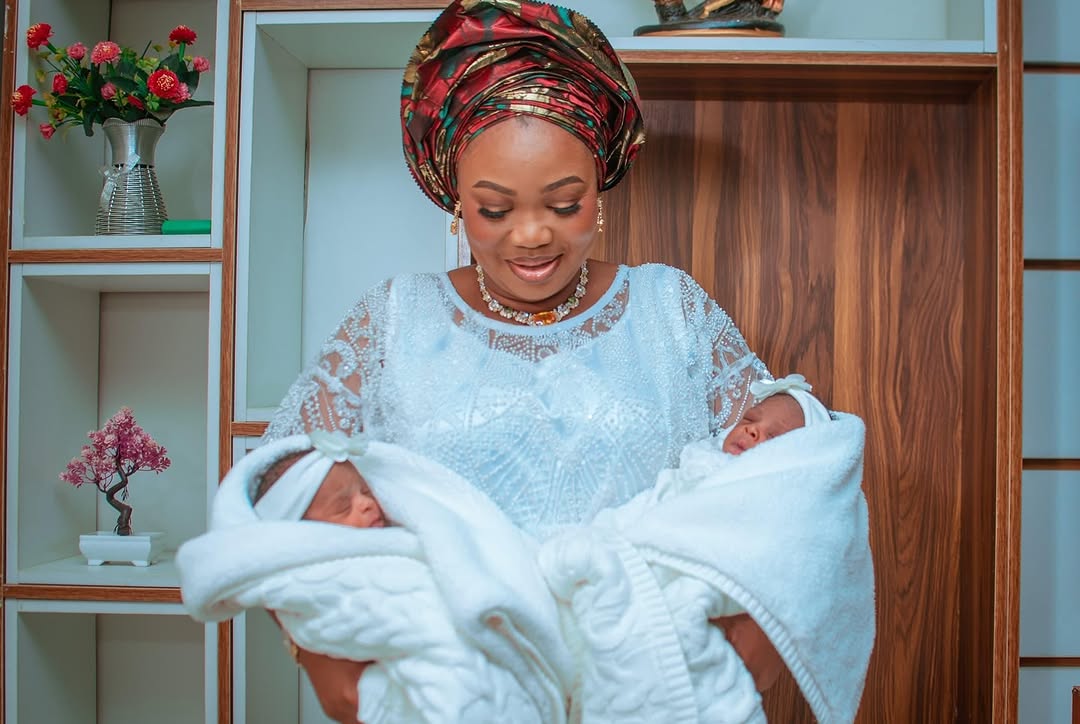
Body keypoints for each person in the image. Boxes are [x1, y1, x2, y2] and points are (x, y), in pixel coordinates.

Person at [251, 0, 849, 720]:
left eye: (564, 205)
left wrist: (740, 668)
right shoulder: (394, 320)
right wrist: (336, 678)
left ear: (599, 188)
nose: (531, 236)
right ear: (455, 199)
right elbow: (274, 502)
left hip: (655, 691)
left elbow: (793, 487)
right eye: (495, 210)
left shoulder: (671, 309)